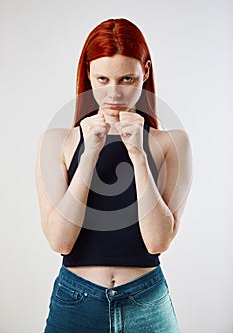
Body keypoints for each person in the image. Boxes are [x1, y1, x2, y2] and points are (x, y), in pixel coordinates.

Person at [35, 18, 192, 333]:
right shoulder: (57, 141)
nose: (114, 94)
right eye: (103, 79)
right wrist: (90, 153)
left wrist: (138, 154)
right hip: (75, 299)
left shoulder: (171, 142)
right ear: (89, 74)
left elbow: (158, 241)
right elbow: (60, 241)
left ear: (144, 72)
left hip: (146, 301)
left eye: (127, 79)